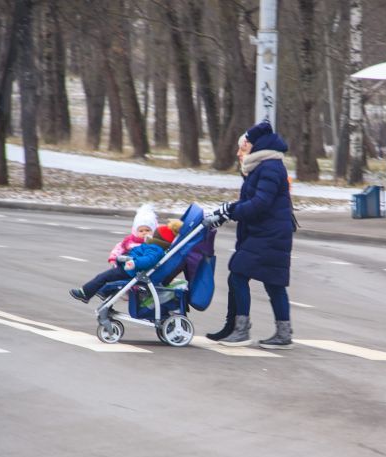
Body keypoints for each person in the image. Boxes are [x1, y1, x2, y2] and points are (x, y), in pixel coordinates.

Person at [204, 121, 294, 349]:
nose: (238, 153)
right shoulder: (263, 166)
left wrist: (232, 211)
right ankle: (282, 334)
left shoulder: (270, 167)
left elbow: (260, 204)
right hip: (267, 231)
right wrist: (228, 209)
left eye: (243, 148)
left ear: (255, 146)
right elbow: (252, 201)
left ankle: (242, 330)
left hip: (269, 233)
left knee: (238, 274)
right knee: (273, 283)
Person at [70, 220, 182, 303]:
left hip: (131, 270)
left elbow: (148, 260)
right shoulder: (155, 247)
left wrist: (134, 262)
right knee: (108, 278)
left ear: (157, 237)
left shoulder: (155, 249)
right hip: (129, 268)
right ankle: (103, 292)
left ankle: (85, 293)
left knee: (103, 277)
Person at [107, 203, 158, 268]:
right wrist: (113, 258)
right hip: (123, 263)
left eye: (147, 230)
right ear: (136, 231)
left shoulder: (153, 243)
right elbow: (119, 248)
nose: (144, 233)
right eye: (141, 231)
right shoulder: (129, 240)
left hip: (136, 266)